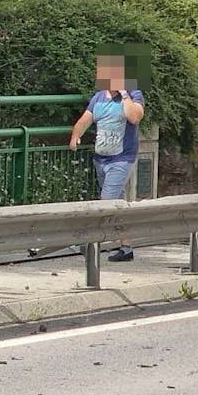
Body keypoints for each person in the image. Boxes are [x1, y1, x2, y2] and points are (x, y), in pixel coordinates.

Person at [68, 53, 146, 261]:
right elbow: (85, 119)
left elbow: (135, 117)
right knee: (118, 204)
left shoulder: (133, 94)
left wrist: (125, 94)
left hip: (122, 158)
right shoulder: (99, 97)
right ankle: (126, 247)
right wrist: (76, 136)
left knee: (106, 201)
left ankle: (90, 243)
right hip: (101, 158)